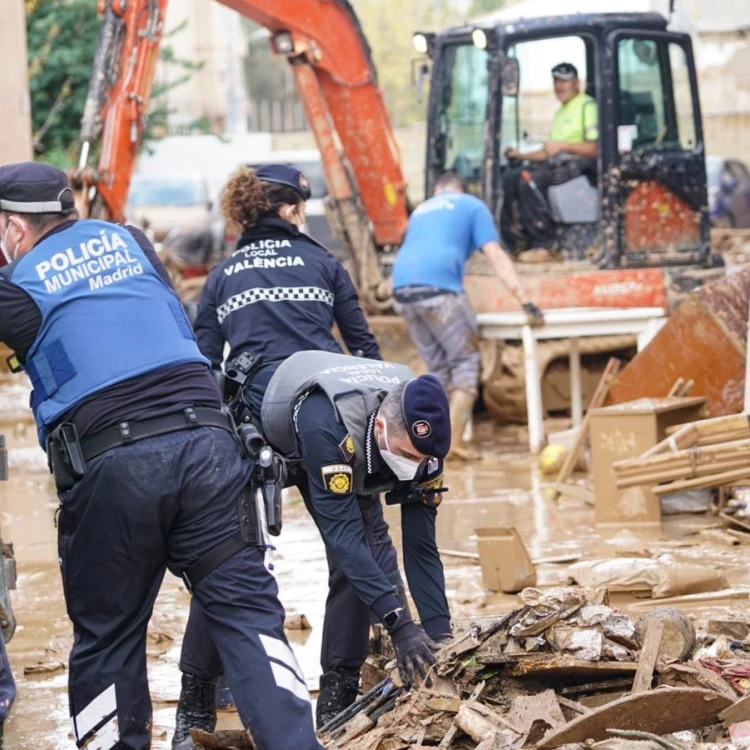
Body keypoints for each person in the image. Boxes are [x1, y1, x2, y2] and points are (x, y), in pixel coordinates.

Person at [0, 162, 321, 750]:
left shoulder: (16, 284)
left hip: (115, 469)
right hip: (210, 448)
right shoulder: (132, 241)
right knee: (250, 620)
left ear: (14, 226)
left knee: (108, 637)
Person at [176, 166, 450, 739]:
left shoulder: (223, 277)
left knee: (228, 559)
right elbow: (367, 348)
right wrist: (384, 410)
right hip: (341, 411)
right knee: (359, 550)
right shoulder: (324, 263)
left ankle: (195, 707)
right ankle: (339, 702)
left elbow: (202, 365)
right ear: (294, 210)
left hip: (256, 425)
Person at [391, 171, 544, 460]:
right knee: (466, 363)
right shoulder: (472, 205)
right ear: (461, 189)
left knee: (437, 369)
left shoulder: (423, 209)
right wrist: (526, 302)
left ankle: (425, 443)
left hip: (402, 290)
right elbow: (495, 254)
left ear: (438, 188)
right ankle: (451, 445)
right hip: (439, 291)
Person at [501, 62, 599, 253]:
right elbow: (548, 151)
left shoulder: (587, 106)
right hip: (559, 164)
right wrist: (520, 155)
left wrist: (564, 145)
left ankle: (545, 244)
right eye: (556, 81)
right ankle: (516, 241)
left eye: (565, 81)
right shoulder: (561, 112)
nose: (559, 86)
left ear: (577, 82)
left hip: (581, 167)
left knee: (530, 181)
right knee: (511, 176)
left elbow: (595, 148)